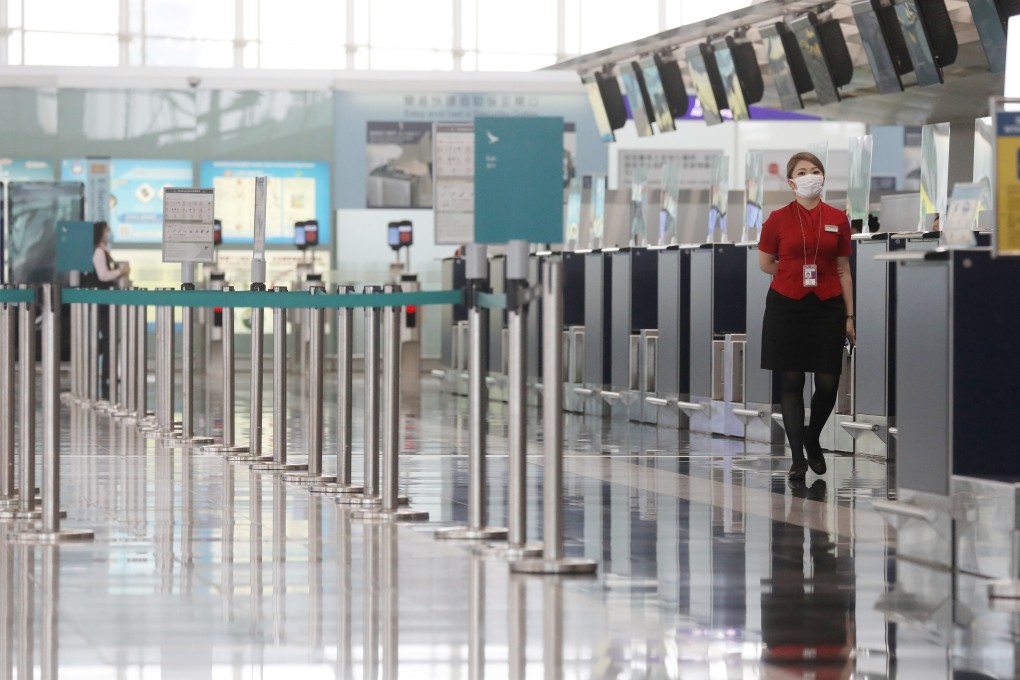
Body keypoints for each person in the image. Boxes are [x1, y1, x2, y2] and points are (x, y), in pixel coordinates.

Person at [758, 152, 855, 480]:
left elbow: (843, 269)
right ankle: (798, 455)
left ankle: (812, 437)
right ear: (791, 182)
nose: (810, 176)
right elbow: (765, 263)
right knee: (791, 379)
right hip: (787, 306)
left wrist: (850, 316)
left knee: (828, 381)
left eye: (816, 171)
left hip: (827, 306)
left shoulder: (838, 218)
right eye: (803, 172)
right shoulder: (777, 219)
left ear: (823, 177)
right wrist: (791, 276)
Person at [82, 221, 130, 400]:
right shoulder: (99, 251)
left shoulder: (101, 250)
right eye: (107, 230)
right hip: (101, 300)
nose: (109, 233)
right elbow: (102, 275)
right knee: (108, 336)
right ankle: (106, 373)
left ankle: (106, 372)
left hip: (102, 300)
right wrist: (120, 272)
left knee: (108, 336)